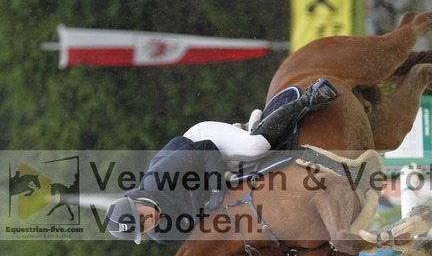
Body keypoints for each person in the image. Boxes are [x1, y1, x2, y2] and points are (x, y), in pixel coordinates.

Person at [105, 78, 339, 244]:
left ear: (136, 202)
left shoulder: (158, 180)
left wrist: (216, 190)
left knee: (254, 147)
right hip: (208, 181)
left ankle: (309, 98)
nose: (148, 222)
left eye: (141, 216)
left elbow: (207, 149)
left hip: (204, 144)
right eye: (142, 227)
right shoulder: (163, 235)